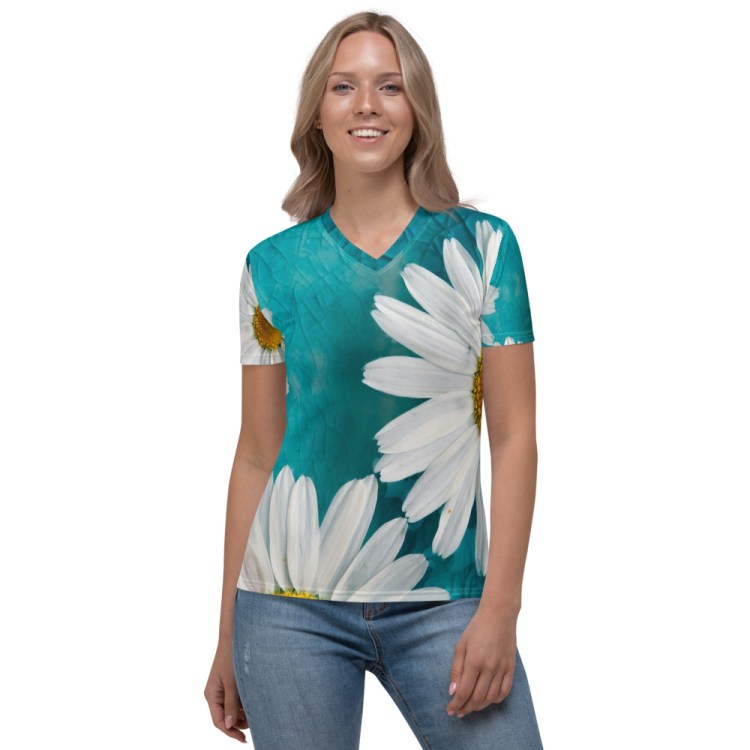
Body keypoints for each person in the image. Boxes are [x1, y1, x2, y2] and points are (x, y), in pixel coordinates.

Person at [204, 10, 543, 749]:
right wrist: (226, 633)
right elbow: (257, 452)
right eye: (343, 87)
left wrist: (501, 609)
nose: (367, 105)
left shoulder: (483, 249)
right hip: (286, 606)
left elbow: (516, 438)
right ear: (317, 116)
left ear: (417, 110)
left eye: (390, 86)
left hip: (447, 600)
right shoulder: (272, 266)